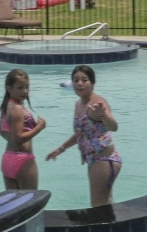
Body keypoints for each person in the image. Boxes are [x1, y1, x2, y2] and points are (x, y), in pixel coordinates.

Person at [46, 65, 122, 207]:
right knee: (106, 204)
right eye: (76, 80)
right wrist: (61, 149)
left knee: (98, 206)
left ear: (92, 83)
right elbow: (80, 134)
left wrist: (103, 115)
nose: (79, 83)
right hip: (94, 161)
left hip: (104, 159)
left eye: (84, 80)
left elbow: (114, 127)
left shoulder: (97, 103)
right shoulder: (79, 104)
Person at [0, 69, 46, 191]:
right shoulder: (17, 108)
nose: (25, 91)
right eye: (20, 88)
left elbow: (2, 131)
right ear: (9, 88)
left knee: (12, 205)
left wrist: (12, 141)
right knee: (30, 203)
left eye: (27, 87)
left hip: (8, 158)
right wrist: (39, 128)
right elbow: (19, 138)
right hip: (23, 161)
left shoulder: (6, 106)